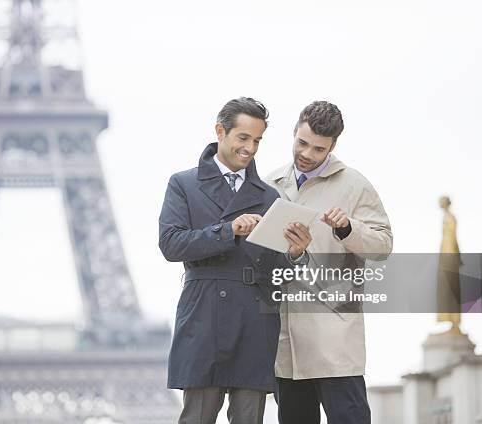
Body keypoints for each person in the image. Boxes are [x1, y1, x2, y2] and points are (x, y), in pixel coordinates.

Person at [158, 97, 311, 424]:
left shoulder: (270, 197)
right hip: (203, 316)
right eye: (243, 138)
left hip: (254, 321)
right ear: (220, 131)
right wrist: (227, 230)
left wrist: (296, 253)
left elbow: (276, 273)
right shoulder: (183, 184)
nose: (250, 148)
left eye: (257, 140)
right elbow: (171, 244)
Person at [265, 101, 393, 424]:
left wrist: (348, 228)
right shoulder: (269, 185)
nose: (306, 153)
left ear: (333, 146)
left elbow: (383, 245)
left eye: (318, 148)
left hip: (335, 344)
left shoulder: (354, 185)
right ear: (294, 132)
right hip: (287, 347)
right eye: (302, 143)